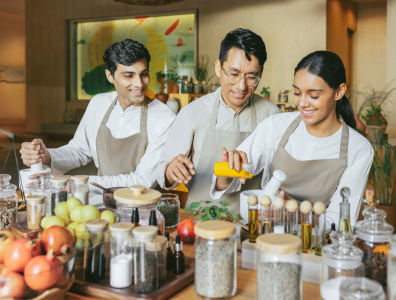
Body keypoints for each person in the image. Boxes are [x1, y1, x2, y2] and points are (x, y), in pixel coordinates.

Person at [212, 51, 373, 229]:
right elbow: (227, 183)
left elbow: (342, 223)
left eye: (313, 95)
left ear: (339, 91)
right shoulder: (276, 126)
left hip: (314, 247)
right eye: (297, 93)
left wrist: (295, 214)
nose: (302, 103)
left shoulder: (359, 149)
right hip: (265, 235)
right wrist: (228, 171)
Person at [20, 39, 176, 191]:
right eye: (129, 76)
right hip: (100, 203)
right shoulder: (99, 103)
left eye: (144, 74)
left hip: (142, 208)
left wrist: (75, 182)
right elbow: (80, 150)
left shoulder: (164, 118)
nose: (139, 83)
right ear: (110, 76)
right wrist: (46, 156)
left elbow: (141, 181)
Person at [156, 28, 281, 212]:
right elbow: (163, 175)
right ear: (218, 67)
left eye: (251, 76)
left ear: (261, 72)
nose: (241, 86)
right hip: (200, 222)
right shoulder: (192, 112)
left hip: (253, 225)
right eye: (234, 73)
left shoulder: (272, 116)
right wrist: (170, 171)